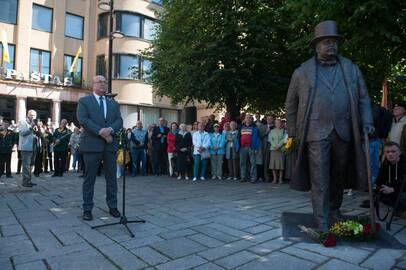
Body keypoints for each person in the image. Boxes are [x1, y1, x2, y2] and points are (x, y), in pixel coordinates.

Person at [285, 20, 374, 231]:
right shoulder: (302, 71)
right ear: (317, 46)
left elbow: (364, 98)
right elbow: (290, 104)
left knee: (338, 176)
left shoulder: (351, 69)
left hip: (343, 131)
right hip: (315, 132)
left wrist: (368, 121)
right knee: (320, 177)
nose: (331, 45)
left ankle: (334, 210)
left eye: (334, 41)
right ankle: (321, 219)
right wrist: (292, 132)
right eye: (326, 42)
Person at [77, 75, 123, 221]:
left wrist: (110, 129)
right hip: (91, 145)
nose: (103, 84)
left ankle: (113, 206)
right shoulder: (84, 101)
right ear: (93, 84)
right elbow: (83, 120)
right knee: (89, 179)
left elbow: (119, 121)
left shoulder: (113, 104)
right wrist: (101, 132)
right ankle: (87, 209)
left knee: (112, 178)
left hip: (109, 146)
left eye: (105, 82)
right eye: (100, 82)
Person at [375, 142, 406, 210]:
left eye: (393, 151)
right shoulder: (385, 164)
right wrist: (382, 188)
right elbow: (379, 181)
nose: (390, 154)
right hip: (391, 190)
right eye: (387, 152)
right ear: (385, 153)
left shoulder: (404, 164)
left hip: (401, 191)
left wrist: (393, 189)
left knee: (402, 197)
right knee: (380, 195)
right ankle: (398, 209)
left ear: (399, 152)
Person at [18, 110, 39, 187]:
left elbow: (36, 134)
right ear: (28, 115)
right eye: (31, 115)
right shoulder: (22, 122)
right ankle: (25, 181)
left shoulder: (34, 123)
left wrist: (38, 130)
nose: (33, 117)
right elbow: (22, 133)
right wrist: (31, 127)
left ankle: (29, 180)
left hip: (34, 146)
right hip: (26, 147)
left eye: (34, 115)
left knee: (31, 164)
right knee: (26, 165)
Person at [239, 114, 260, 183]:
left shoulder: (254, 127)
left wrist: (256, 148)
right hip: (242, 148)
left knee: (253, 163)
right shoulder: (241, 127)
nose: (248, 119)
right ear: (244, 119)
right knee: (242, 163)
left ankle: (253, 178)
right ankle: (243, 177)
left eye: (249, 118)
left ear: (251, 120)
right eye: (247, 118)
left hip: (251, 147)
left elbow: (257, 139)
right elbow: (238, 137)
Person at [268, 119, 286, 184]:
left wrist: (279, 146)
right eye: (276, 123)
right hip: (273, 149)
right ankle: (275, 179)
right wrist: (274, 145)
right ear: (275, 124)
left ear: (281, 124)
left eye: (279, 123)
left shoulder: (284, 131)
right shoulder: (272, 131)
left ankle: (280, 179)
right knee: (273, 165)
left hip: (280, 149)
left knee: (281, 165)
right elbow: (270, 139)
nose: (278, 124)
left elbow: (284, 139)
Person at [264, 115, 275, 181]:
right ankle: (266, 177)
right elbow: (260, 136)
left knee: (273, 161)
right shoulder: (263, 126)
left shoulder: (275, 127)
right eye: (268, 119)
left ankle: (273, 177)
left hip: (274, 145)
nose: (269, 120)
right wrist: (266, 132)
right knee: (266, 161)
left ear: (273, 120)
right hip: (266, 145)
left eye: (271, 119)